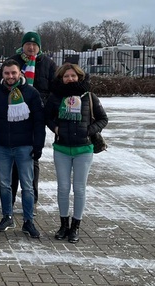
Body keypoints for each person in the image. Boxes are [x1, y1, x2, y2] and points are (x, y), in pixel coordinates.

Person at [44, 63, 108, 244]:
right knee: (63, 188)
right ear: (61, 78)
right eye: (66, 76)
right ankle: (63, 224)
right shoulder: (56, 96)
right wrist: (55, 128)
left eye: (73, 76)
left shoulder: (89, 96)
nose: (70, 79)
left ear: (79, 76)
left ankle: (75, 226)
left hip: (84, 150)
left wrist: (88, 131)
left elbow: (103, 118)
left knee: (79, 189)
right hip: (62, 149)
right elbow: (46, 116)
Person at [3, 31, 57, 211]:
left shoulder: (48, 64)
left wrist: (45, 106)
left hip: (36, 115)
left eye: (34, 45)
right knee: (13, 158)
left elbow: (55, 89)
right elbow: (1, 84)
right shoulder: (13, 61)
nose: (31, 47)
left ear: (39, 47)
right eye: (28, 44)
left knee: (32, 157)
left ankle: (31, 198)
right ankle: (9, 200)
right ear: (23, 45)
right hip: (14, 115)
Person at [0, 59, 45, 238]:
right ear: (2, 74)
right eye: (7, 73)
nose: (10, 76)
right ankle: (7, 216)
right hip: (3, 146)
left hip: (24, 146)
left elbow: (39, 122)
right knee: (4, 185)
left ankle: (28, 221)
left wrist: (38, 145)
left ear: (20, 73)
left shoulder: (31, 93)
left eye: (13, 73)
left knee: (27, 187)